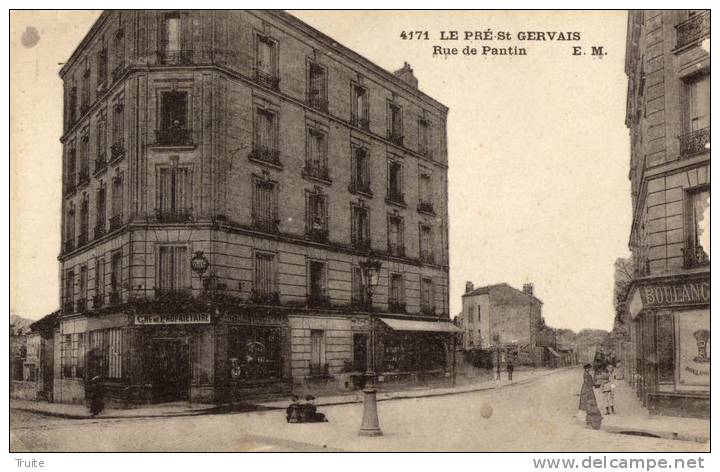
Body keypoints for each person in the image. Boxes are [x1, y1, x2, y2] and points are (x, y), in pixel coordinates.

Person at [579, 363, 602, 429]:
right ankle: (590, 422)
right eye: (589, 368)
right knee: (590, 406)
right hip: (587, 392)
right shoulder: (587, 375)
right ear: (587, 368)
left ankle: (589, 421)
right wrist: (595, 385)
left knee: (589, 407)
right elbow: (589, 383)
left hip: (586, 391)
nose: (590, 369)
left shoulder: (586, 374)